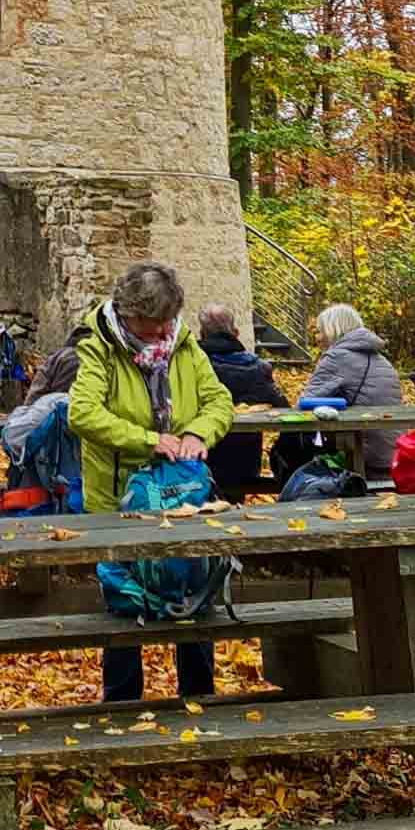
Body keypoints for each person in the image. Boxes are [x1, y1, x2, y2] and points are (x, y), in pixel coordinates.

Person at [67, 260, 234, 703]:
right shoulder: (98, 346)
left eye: (168, 323)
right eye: (154, 325)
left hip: (185, 496)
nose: (163, 334)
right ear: (128, 315)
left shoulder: (183, 343)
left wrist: (199, 432)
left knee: (193, 592)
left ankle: (199, 701)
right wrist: (148, 440)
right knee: (124, 605)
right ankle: (122, 707)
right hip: (118, 499)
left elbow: (219, 400)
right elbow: (82, 413)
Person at [296, 303, 406, 481]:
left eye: (320, 331)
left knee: (289, 444)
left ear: (333, 330)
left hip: (363, 456)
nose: (317, 337)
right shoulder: (381, 359)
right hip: (394, 452)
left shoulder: (336, 357)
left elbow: (303, 404)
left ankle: (295, 501)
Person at [194, 305, 283, 502]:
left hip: (203, 456)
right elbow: (283, 406)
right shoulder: (259, 368)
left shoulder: (193, 367)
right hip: (246, 460)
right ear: (235, 333)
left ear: (201, 334)